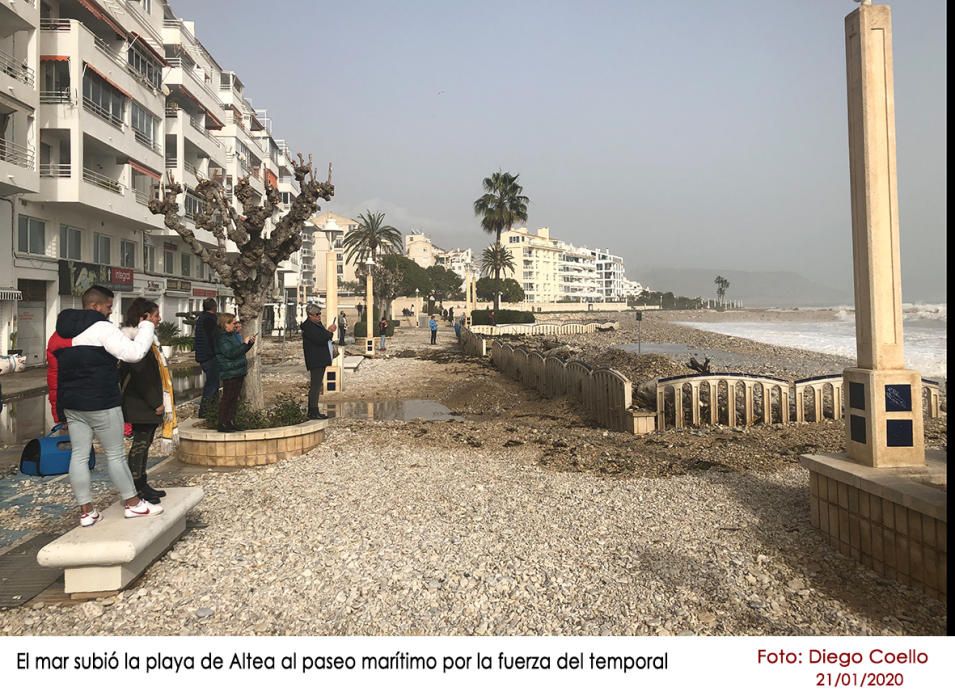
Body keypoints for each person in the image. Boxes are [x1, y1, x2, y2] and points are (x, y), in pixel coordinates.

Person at [53, 285, 163, 526]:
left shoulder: (65, 331)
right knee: (115, 454)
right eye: (108, 306)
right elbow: (134, 354)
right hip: (101, 401)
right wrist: (146, 326)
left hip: (72, 402)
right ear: (95, 306)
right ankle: (133, 504)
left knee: (79, 455)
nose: (110, 312)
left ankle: (87, 511)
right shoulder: (102, 328)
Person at [119, 298, 177, 504]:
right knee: (140, 445)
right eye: (155, 315)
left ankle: (142, 482)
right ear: (143, 318)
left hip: (145, 403)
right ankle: (136, 486)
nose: (159, 319)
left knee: (144, 443)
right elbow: (142, 376)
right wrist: (156, 403)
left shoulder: (147, 340)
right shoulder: (137, 342)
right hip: (141, 404)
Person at [215, 313, 256, 433]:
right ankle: (222, 422)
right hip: (229, 372)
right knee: (227, 398)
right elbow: (231, 353)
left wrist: (249, 344)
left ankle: (230, 421)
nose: (235, 325)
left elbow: (239, 351)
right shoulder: (221, 338)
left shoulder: (233, 335)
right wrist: (244, 344)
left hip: (238, 370)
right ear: (225, 324)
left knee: (234, 398)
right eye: (233, 323)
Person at [301, 305, 336, 419]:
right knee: (315, 386)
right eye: (316, 315)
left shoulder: (316, 325)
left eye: (320, 314)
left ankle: (314, 410)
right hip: (315, 360)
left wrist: (328, 332)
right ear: (310, 315)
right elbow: (320, 339)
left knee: (317, 386)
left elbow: (323, 337)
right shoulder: (308, 327)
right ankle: (313, 411)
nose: (319, 316)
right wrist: (330, 332)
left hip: (320, 359)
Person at [194, 298, 220, 418]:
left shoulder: (201, 318)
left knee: (213, 383)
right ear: (214, 307)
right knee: (212, 384)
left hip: (203, 355)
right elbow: (213, 338)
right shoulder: (210, 320)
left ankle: (213, 409)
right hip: (209, 356)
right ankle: (205, 411)